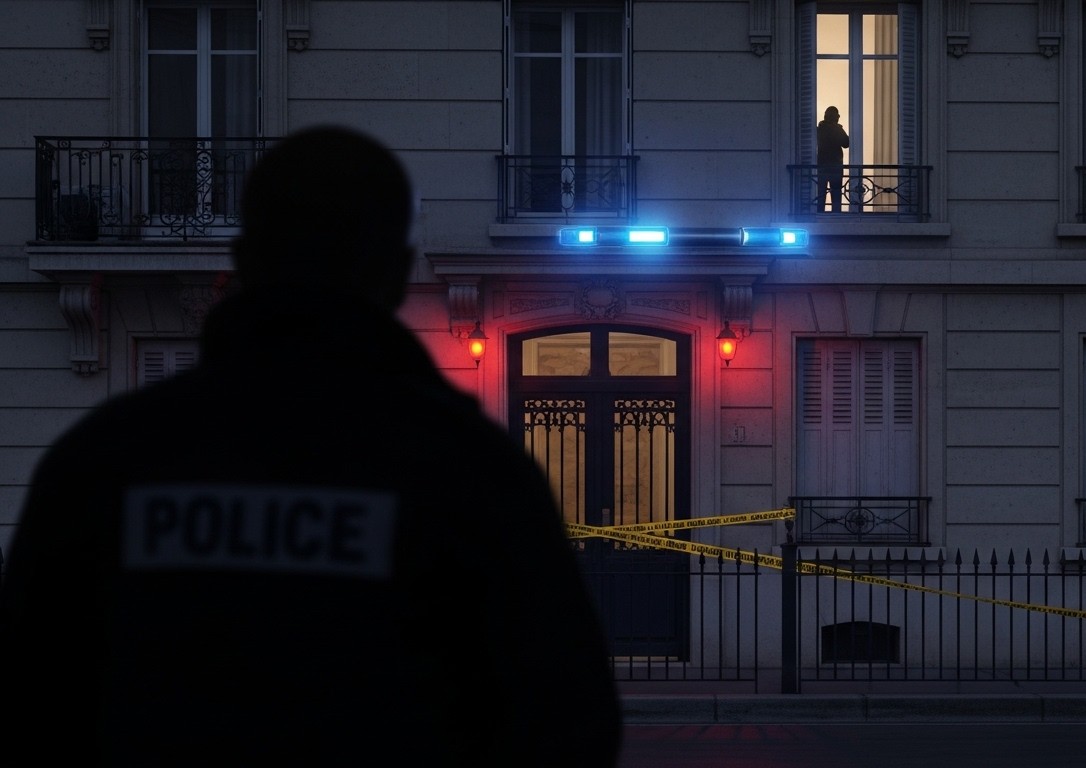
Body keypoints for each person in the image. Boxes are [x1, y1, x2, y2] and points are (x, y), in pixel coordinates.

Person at [0, 126, 622, 767]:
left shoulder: (104, 462)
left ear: (242, 261)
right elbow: (569, 721)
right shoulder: (474, 474)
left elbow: (28, 700)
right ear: (395, 272)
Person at [816, 105, 850, 213]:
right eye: (837, 115)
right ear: (835, 116)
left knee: (821, 193)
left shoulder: (819, 129)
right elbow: (846, 143)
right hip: (835, 166)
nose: (839, 117)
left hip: (822, 165)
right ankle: (836, 214)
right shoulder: (836, 129)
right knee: (836, 193)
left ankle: (820, 213)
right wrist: (838, 129)